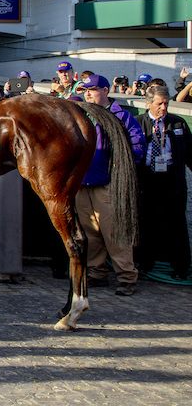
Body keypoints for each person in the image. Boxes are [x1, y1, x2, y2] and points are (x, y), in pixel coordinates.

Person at [72, 74, 145, 296]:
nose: (88, 93)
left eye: (92, 89)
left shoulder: (123, 116)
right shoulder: (82, 113)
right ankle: (97, 274)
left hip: (109, 183)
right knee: (90, 232)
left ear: (105, 90)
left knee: (114, 232)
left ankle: (126, 278)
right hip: (83, 182)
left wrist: (118, 166)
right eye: (85, 89)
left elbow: (138, 146)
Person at [135, 85, 191, 280]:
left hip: (172, 181)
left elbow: (189, 153)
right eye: (159, 104)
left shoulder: (178, 124)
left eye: (166, 103)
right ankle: (144, 264)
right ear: (148, 103)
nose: (163, 108)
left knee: (176, 224)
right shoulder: (137, 124)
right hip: (147, 180)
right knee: (146, 223)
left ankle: (181, 267)